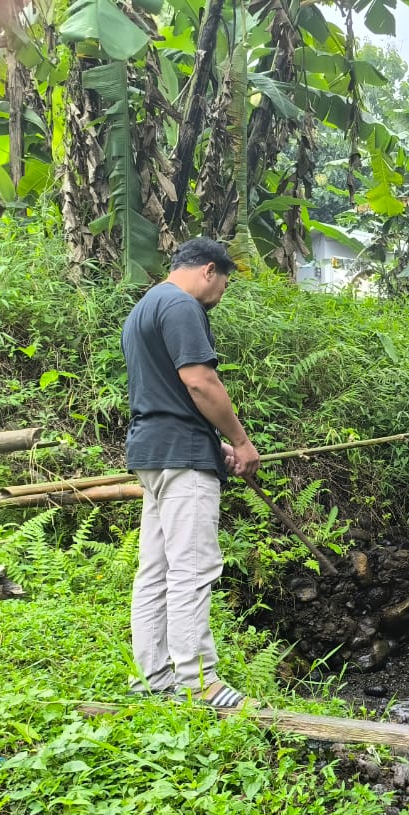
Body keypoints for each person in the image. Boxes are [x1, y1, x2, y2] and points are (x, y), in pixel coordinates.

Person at [123, 237, 260, 708]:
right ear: (209, 270)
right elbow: (200, 381)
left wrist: (212, 442)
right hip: (182, 459)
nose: (221, 294)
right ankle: (200, 683)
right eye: (224, 283)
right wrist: (240, 440)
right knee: (192, 569)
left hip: (153, 452)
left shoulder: (145, 307)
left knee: (156, 570)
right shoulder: (183, 306)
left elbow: (164, 395)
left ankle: (153, 679)